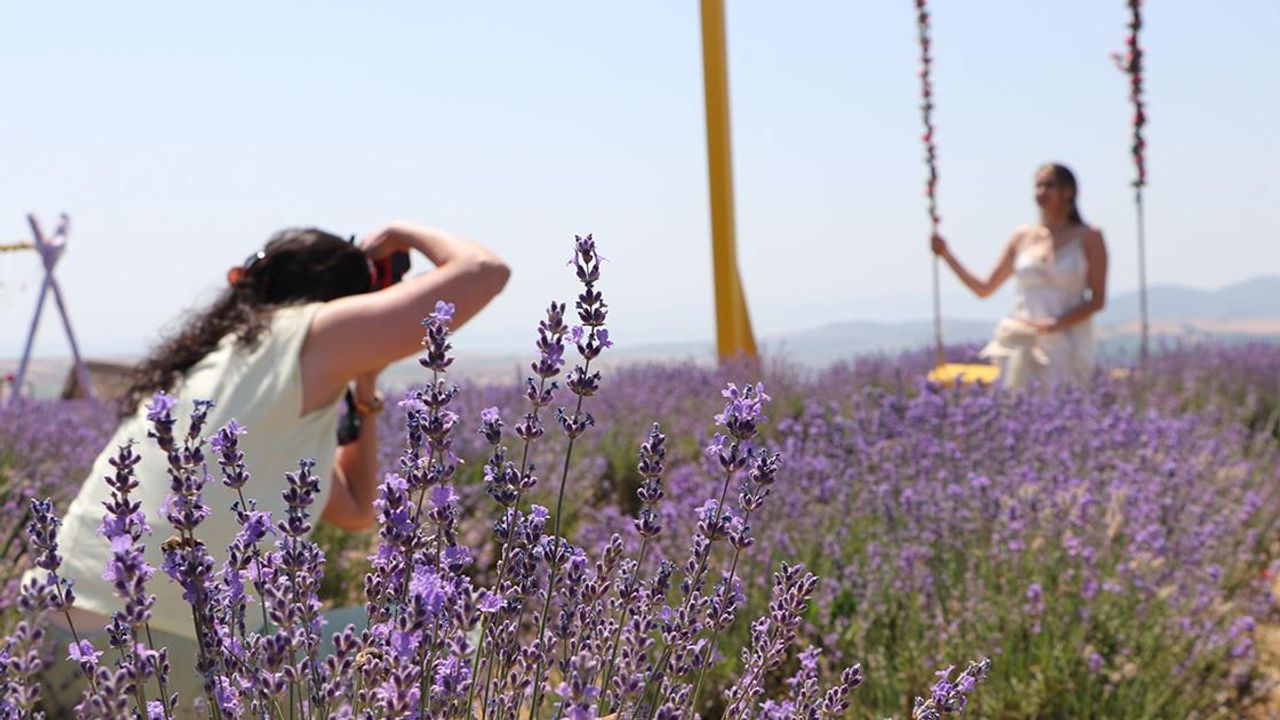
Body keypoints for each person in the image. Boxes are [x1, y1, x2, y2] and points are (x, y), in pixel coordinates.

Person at [34, 221, 509, 711]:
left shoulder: (230, 359)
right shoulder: (305, 333)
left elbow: (353, 508)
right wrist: (397, 234)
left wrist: (365, 390)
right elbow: (483, 270)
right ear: (347, 303)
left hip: (46, 639)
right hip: (153, 661)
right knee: (446, 622)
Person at [931, 163, 1108, 388]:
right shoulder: (1022, 236)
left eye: (1050, 185)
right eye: (1038, 185)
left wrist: (1057, 323)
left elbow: (1097, 299)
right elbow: (984, 288)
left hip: (1068, 343)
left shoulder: (1090, 237)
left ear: (1069, 192)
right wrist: (946, 255)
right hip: (1021, 340)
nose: (1042, 192)